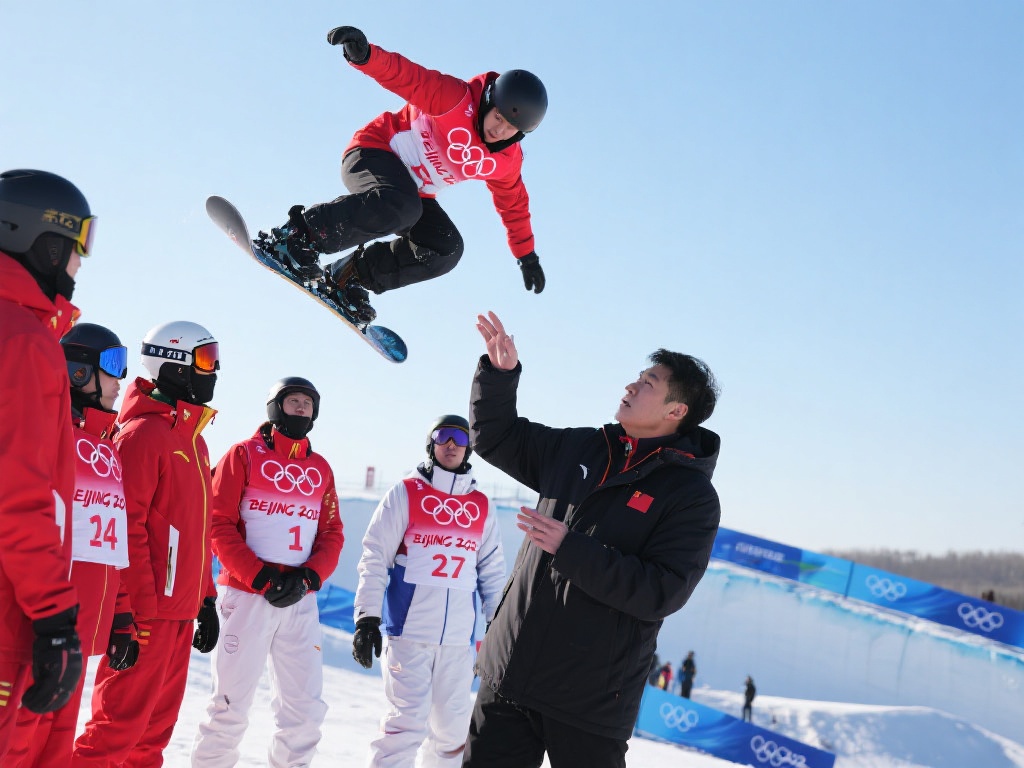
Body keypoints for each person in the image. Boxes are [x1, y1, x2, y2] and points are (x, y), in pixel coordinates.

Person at [462, 311, 722, 768]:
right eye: (637, 377)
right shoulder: (583, 447)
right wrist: (500, 376)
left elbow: (662, 590)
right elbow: (496, 438)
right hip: (511, 671)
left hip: (590, 699)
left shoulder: (691, 496)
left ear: (675, 412)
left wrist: (571, 548)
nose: (630, 386)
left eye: (648, 384)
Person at [266, 25, 548, 324]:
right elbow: (408, 77)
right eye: (498, 117)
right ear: (489, 101)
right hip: (371, 153)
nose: (499, 130)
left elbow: (514, 206)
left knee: (446, 248)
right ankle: (300, 235)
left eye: (510, 129)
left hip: (409, 195)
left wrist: (526, 255)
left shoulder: (505, 162)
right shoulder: (454, 98)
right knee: (402, 206)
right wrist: (366, 56)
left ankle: (350, 276)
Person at [73, 321, 222, 767]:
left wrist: (206, 599)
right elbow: (126, 529)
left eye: (214, 359)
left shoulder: (195, 443)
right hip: (146, 614)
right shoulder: (142, 436)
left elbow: (197, 531)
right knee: (115, 733)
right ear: (173, 364)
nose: (213, 370)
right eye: (205, 359)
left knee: (153, 736)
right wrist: (131, 612)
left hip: (179, 612)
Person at [192, 377, 344, 767]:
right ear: (275, 407)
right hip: (247, 596)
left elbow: (332, 533)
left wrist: (308, 578)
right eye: (293, 401)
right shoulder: (243, 455)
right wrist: (260, 577)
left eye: (308, 404)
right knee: (229, 707)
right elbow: (217, 523)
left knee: (305, 713)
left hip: (300, 601)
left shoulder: (321, 469)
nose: (301, 409)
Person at [8, 324, 138, 767]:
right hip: (43, 629)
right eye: (114, 366)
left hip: (83, 633)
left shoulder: (108, 450)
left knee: (55, 752)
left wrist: (120, 617)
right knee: (18, 743)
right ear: (78, 373)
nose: (121, 381)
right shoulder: (51, 432)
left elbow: (110, 544)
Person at [0, 169, 95, 759]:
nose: (81, 265)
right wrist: (55, 614)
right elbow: (17, 490)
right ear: (46, 240)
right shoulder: (24, 340)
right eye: (79, 247)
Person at [352, 415, 506, 768]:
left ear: (469, 448)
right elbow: (375, 556)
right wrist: (367, 619)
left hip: (457, 642)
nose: (451, 444)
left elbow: (493, 574)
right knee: (405, 727)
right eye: (443, 436)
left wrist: (496, 629)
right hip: (408, 632)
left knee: (452, 736)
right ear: (431, 444)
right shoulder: (406, 492)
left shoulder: (482, 505)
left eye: (459, 438)